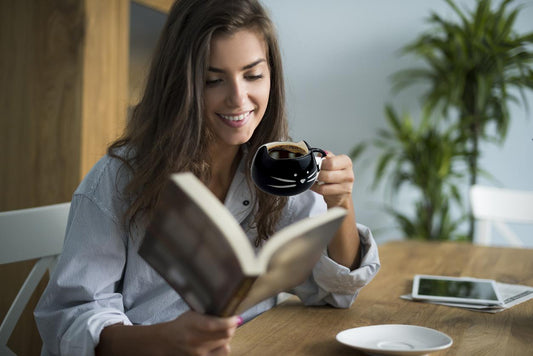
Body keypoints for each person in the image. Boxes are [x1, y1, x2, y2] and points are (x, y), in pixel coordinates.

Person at [34, 0, 380, 355]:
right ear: (179, 84)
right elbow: (70, 319)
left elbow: (335, 291)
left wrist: (341, 203)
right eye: (213, 80)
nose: (237, 98)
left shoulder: (277, 171)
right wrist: (164, 341)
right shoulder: (118, 179)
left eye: (253, 75)